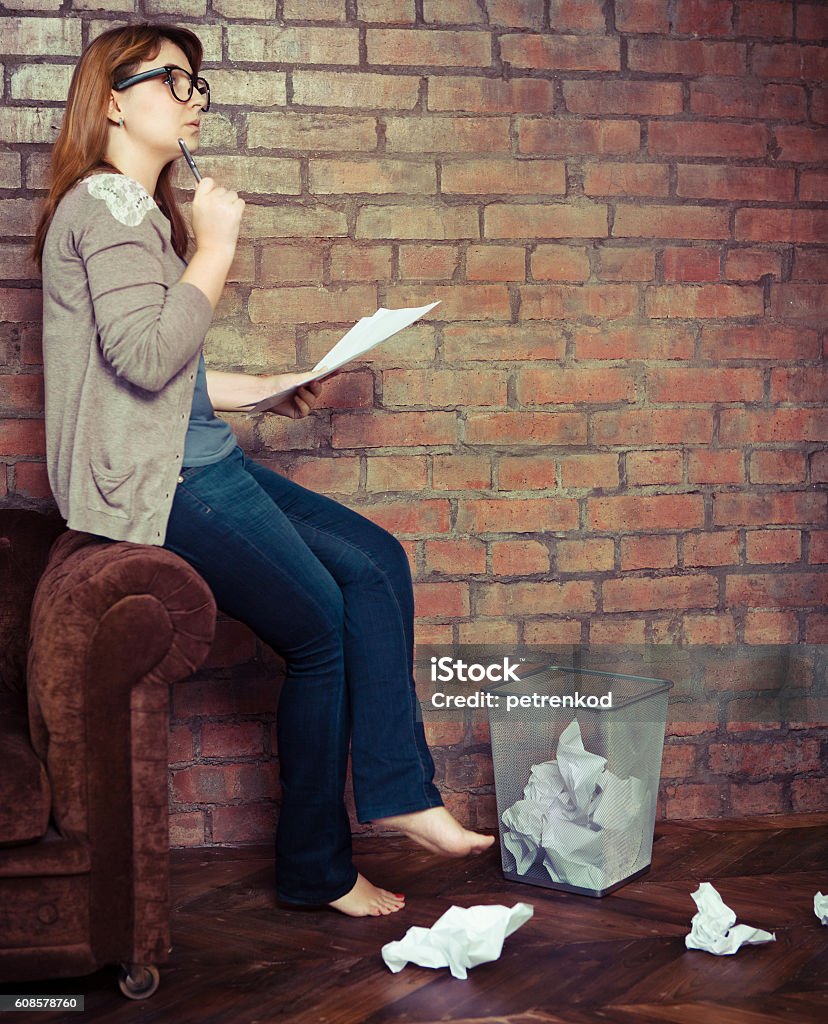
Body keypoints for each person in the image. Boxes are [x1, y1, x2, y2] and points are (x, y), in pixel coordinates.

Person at [33, 23, 493, 918]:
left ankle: (399, 792)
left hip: (192, 450)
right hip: (163, 478)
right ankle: (317, 868)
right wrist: (216, 247)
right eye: (173, 80)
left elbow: (159, 368)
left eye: (198, 84)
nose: (193, 97)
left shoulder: (127, 212)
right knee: (320, 629)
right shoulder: (112, 205)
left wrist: (266, 389)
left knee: (372, 561)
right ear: (113, 99)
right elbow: (142, 354)